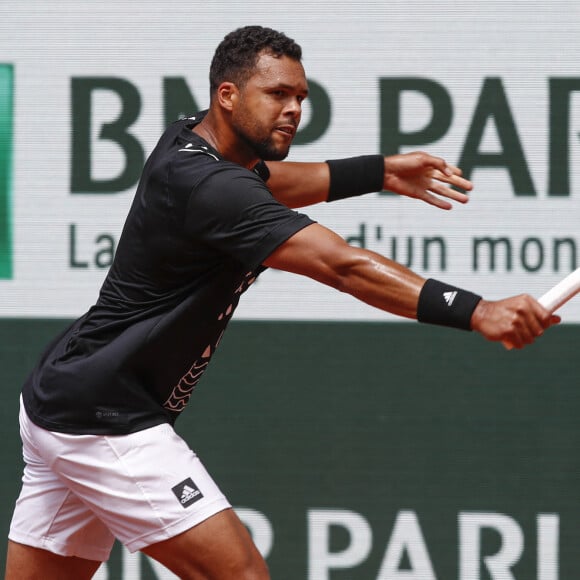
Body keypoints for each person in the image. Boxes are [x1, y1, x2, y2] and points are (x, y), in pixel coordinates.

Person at [5, 25, 559, 580]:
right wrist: (478, 310)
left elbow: (271, 183)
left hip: (62, 397)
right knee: (241, 574)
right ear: (228, 95)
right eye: (277, 95)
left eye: (301, 97)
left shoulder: (191, 145)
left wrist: (382, 172)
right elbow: (341, 265)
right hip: (103, 415)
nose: (294, 109)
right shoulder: (211, 186)